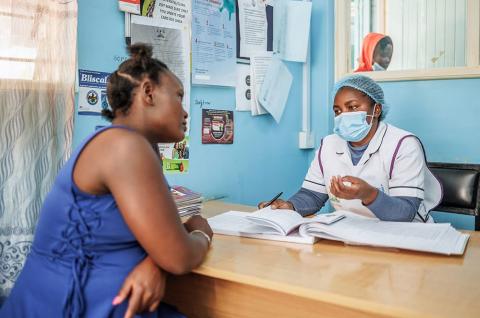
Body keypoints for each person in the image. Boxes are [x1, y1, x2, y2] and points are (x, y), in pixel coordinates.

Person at [0, 43, 213, 317]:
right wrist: (201, 232)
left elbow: (158, 240)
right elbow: (179, 257)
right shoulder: (124, 147)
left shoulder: (130, 145)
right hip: (69, 307)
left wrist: (154, 262)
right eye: (179, 96)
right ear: (148, 93)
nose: (185, 112)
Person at [259, 74, 442, 223]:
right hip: (348, 230)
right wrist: (290, 206)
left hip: (404, 235)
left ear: (376, 110)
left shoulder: (403, 144)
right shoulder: (329, 144)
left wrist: (368, 194)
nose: (343, 116)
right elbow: (312, 195)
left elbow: (405, 212)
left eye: (353, 107)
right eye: (337, 111)